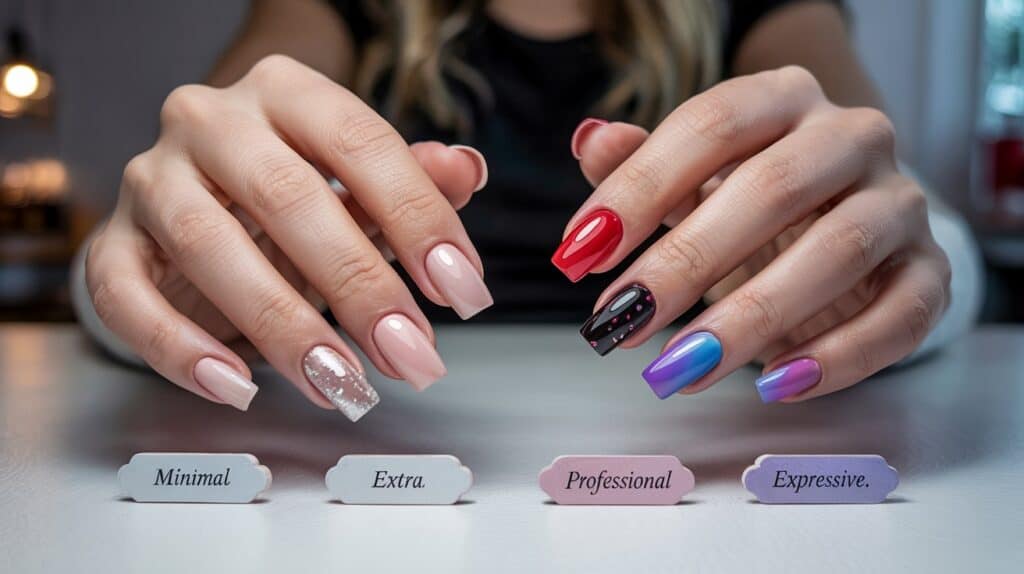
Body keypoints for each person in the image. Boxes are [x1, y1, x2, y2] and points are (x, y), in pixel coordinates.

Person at [72, 0, 982, 421]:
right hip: (391, 433)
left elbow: (906, 212)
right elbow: (180, 190)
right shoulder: (339, 11)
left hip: (691, 429)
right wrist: (147, 278)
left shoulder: (763, 11)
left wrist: (896, 273)